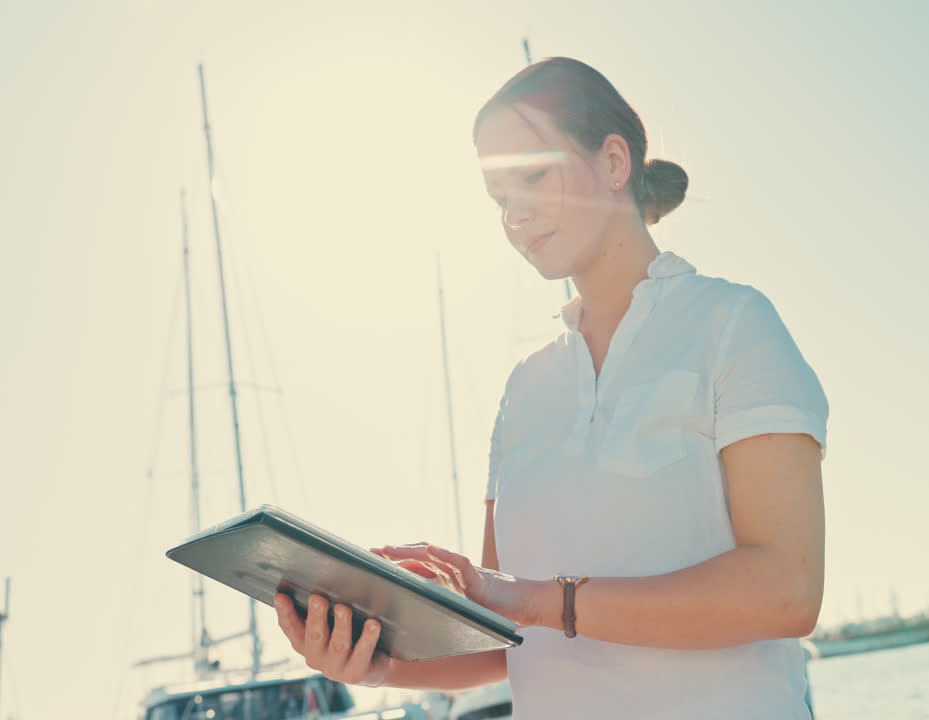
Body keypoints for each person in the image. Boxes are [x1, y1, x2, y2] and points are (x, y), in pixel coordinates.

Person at [273, 56, 828, 719]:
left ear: (614, 163)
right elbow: (503, 635)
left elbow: (786, 590)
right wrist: (375, 661)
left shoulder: (732, 324)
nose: (514, 214)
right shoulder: (523, 390)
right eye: (499, 199)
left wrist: (539, 599)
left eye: (532, 176)